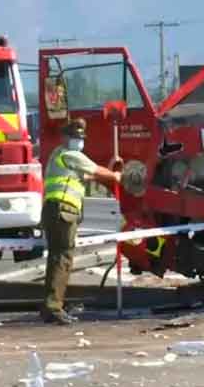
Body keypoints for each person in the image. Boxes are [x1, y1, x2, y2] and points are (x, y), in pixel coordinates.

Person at [41, 118, 121, 325]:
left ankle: (51, 305)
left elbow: (86, 177)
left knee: (57, 258)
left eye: (81, 138)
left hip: (53, 211)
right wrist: (116, 175)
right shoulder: (71, 154)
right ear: (65, 137)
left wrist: (109, 171)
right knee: (62, 259)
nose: (79, 141)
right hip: (63, 210)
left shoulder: (58, 156)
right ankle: (53, 308)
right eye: (75, 137)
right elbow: (94, 170)